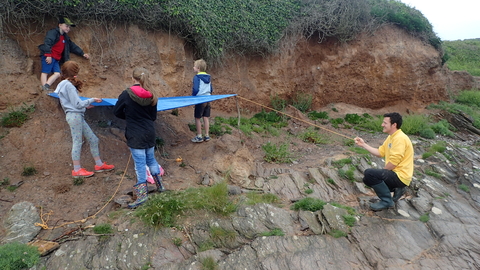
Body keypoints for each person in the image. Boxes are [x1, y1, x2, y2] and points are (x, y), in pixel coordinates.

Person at [113, 67, 165, 208]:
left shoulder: (126, 94)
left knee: (140, 164)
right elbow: (153, 117)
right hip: (149, 132)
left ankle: (142, 196)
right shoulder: (152, 95)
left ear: (133, 79)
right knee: (151, 159)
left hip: (135, 133)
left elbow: (116, 112)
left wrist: (129, 116)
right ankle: (160, 185)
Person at [56, 61, 115, 177]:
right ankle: (76, 170)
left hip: (75, 116)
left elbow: (72, 103)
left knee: (93, 139)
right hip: (75, 116)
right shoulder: (69, 85)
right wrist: (92, 100)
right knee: (77, 142)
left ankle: (99, 164)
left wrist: (85, 105)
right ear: (75, 72)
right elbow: (77, 104)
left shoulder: (62, 84)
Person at [354, 112, 414, 211]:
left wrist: (382, 173)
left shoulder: (400, 138)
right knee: (367, 179)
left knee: (370, 174)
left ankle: (387, 202)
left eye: (385, 123)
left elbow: (394, 162)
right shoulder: (391, 137)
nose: (382, 125)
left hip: (401, 176)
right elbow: (380, 152)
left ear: (394, 125)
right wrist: (363, 144)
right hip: (395, 175)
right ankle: (397, 189)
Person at [38, 17, 90, 92]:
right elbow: (47, 43)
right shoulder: (53, 33)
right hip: (49, 56)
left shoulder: (65, 37)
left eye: (69, 27)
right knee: (45, 72)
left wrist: (82, 53)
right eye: (66, 26)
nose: (68, 28)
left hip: (56, 59)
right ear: (60, 25)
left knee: (57, 74)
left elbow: (72, 46)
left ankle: (46, 86)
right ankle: (44, 87)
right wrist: (48, 55)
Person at [191, 59, 213, 143]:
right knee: (206, 117)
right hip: (208, 99)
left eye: (194, 66)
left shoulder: (196, 77)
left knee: (197, 118)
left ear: (198, 68)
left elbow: (196, 88)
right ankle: (207, 135)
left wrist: (193, 96)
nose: (193, 67)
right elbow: (211, 89)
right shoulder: (209, 77)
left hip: (200, 99)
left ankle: (199, 136)